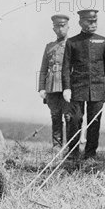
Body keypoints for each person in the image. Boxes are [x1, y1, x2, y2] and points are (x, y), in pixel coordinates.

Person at [62, 10, 105, 162]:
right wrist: (66, 88)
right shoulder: (72, 42)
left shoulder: (103, 41)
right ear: (81, 23)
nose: (93, 25)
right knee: (75, 119)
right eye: (89, 22)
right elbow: (66, 67)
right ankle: (72, 152)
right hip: (77, 87)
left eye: (95, 22)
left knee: (94, 121)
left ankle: (90, 153)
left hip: (98, 88)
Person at [38, 14, 70, 150]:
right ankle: (57, 147)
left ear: (68, 27)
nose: (60, 29)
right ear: (53, 29)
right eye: (57, 26)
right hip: (51, 86)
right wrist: (41, 88)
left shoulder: (72, 45)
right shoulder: (49, 46)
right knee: (55, 116)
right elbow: (43, 68)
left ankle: (70, 147)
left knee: (69, 117)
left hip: (67, 87)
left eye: (63, 26)